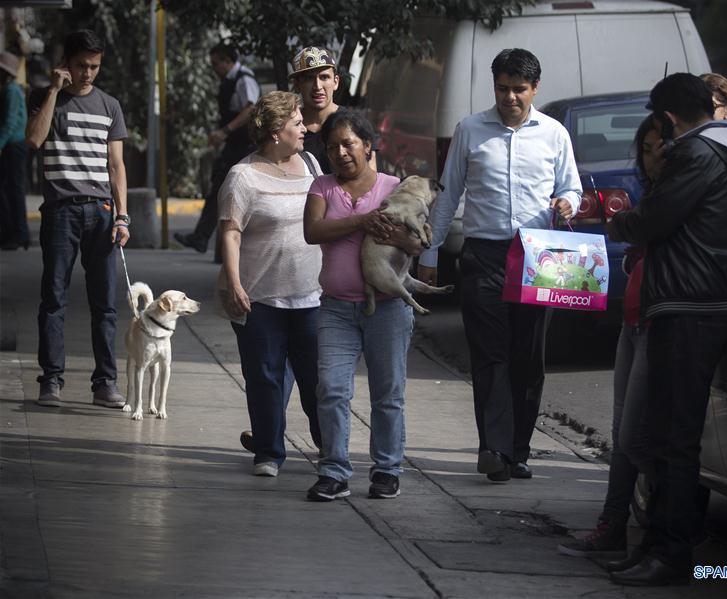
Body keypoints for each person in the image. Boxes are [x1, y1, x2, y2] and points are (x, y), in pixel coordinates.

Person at [605, 73, 727, 586]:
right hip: (698, 300)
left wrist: (619, 221)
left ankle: (671, 553)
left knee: (674, 438)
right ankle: (656, 542)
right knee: (666, 434)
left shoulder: (697, 155)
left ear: (670, 118)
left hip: (687, 303)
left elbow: (654, 220)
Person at [417, 48, 582, 482]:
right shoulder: (470, 130)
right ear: (494, 87)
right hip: (483, 256)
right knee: (489, 356)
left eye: (519, 89)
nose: (510, 97)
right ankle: (493, 448)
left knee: (528, 357)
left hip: (538, 255)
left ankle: (519, 450)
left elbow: (573, 188)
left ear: (535, 89)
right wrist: (430, 254)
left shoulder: (554, 134)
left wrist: (568, 202)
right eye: (503, 88)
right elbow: (448, 195)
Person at [303, 109, 423, 502]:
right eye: (333, 146)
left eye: (348, 144)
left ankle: (387, 470)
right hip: (336, 308)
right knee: (332, 389)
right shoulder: (322, 187)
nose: (340, 153)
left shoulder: (395, 187)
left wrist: (399, 236)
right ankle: (334, 471)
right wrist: (361, 222)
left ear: (368, 146)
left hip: (387, 308)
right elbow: (312, 231)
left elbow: (420, 243)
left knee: (388, 392)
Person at [557, 116, 662, 559]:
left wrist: (626, 227)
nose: (653, 156)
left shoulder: (681, 195)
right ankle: (614, 525)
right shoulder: (656, 193)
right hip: (633, 321)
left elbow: (636, 228)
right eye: (648, 148)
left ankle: (659, 539)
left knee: (638, 437)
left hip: (659, 323)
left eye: (662, 147)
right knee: (623, 434)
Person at [219, 91, 323, 477]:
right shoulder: (242, 176)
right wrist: (234, 284)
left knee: (317, 380)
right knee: (265, 378)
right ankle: (268, 452)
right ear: (277, 131)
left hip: (312, 295)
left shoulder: (312, 164)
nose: (305, 129)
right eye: (297, 123)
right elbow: (230, 234)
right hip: (259, 297)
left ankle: (328, 444)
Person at [25, 29, 130, 408]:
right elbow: (34, 140)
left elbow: (116, 166)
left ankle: (105, 383)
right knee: (53, 299)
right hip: (60, 212)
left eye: (95, 66)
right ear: (66, 63)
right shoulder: (44, 97)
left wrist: (122, 217)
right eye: (82, 65)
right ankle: (50, 380)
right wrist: (53, 91)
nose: (88, 73)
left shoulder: (109, 106)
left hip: (101, 213)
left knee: (105, 303)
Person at [176, 42, 259, 253]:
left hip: (245, 145)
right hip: (234, 144)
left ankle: (205, 238)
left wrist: (225, 131)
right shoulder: (229, 81)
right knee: (220, 188)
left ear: (227, 60)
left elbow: (251, 109)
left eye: (216, 63)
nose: (214, 69)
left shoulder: (244, 79)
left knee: (226, 188)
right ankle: (204, 238)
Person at [288, 46, 377, 174]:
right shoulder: (287, 127)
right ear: (297, 85)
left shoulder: (356, 124)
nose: (317, 86)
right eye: (309, 78)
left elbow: (371, 182)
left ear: (335, 82)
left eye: (324, 77)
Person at [0, 50, 29, 250]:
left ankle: (18, 234)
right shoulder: (11, 89)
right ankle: (16, 233)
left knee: (13, 190)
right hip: (14, 144)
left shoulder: (11, 90)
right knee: (11, 189)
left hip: (14, 145)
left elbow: (9, 122)